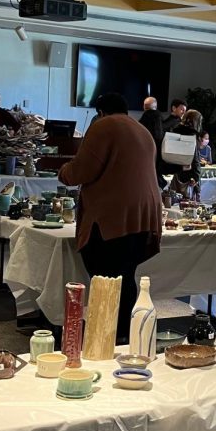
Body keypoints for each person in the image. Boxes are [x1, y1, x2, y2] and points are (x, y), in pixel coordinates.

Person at [59, 92, 162, 343]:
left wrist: (63, 171)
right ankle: (126, 333)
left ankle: (107, 335)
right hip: (143, 215)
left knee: (105, 277)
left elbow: (82, 169)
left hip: (111, 217)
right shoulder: (142, 130)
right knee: (125, 276)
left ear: (101, 112)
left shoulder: (104, 126)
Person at [162, 109, 203, 199]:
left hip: (174, 172)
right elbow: (195, 159)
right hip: (189, 173)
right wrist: (196, 176)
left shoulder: (174, 132)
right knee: (189, 205)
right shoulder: (192, 135)